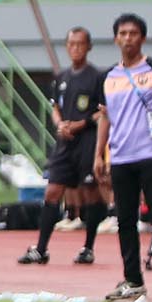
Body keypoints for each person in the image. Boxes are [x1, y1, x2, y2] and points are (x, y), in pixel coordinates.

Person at [94, 12, 152, 301]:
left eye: (133, 33)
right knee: (125, 220)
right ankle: (133, 279)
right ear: (115, 38)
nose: (128, 38)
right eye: (123, 33)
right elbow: (105, 118)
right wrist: (99, 154)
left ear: (142, 38)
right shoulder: (107, 77)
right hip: (121, 158)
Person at [18, 27, 106, 265]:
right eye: (71, 44)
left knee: (91, 193)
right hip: (65, 144)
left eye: (80, 44)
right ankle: (41, 249)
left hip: (87, 142)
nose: (75, 48)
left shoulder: (97, 77)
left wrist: (80, 124)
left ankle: (88, 247)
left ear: (88, 47)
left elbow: (103, 113)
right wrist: (60, 124)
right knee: (52, 191)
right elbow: (55, 107)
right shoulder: (61, 77)